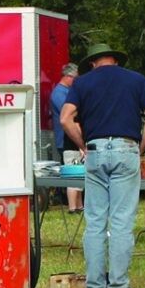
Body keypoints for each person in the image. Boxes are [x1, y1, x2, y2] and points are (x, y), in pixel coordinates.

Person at [60, 43, 145, 288]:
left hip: (95, 150)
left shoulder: (82, 83)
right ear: (116, 60)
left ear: (92, 63)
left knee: (95, 221)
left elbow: (65, 118)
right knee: (122, 220)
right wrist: (140, 147)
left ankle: (94, 287)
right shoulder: (136, 80)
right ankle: (118, 287)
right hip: (126, 148)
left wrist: (82, 144)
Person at [48, 63, 83, 213]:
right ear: (68, 77)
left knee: (79, 172)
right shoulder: (59, 93)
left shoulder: (65, 92)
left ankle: (79, 205)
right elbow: (70, 114)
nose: (76, 82)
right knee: (72, 172)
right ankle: (72, 206)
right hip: (66, 140)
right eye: (75, 79)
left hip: (73, 138)